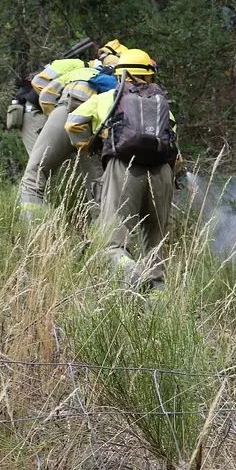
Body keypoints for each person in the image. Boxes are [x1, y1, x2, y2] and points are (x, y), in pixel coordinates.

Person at [64, 48, 180, 291]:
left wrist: (88, 146)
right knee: (155, 242)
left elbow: (73, 123)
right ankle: (157, 295)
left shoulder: (108, 98)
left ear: (120, 74)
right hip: (162, 172)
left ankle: (131, 273)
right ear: (149, 74)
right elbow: (173, 144)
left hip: (123, 167)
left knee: (113, 242)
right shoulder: (162, 104)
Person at [17, 40, 126, 220]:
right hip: (94, 128)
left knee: (34, 176)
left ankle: (33, 228)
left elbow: (43, 91)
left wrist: (53, 117)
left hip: (66, 111)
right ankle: (105, 234)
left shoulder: (79, 70)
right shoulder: (121, 81)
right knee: (97, 187)